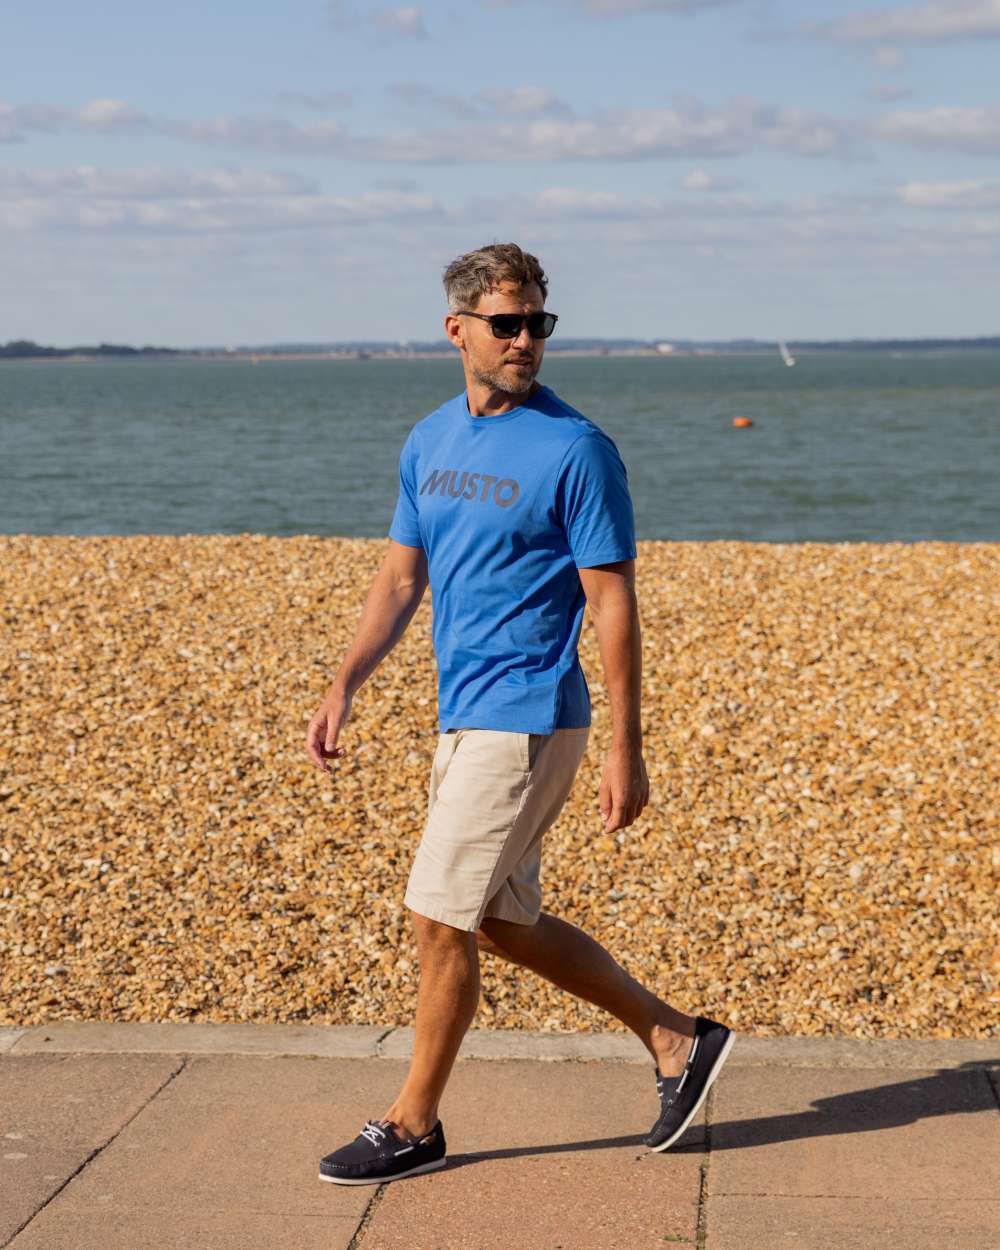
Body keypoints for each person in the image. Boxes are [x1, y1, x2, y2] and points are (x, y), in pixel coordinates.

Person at [307, 242, 735, 1186]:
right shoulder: (430, 439)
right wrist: (346, 680)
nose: (525, 341)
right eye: (506, 323)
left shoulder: (576, 448)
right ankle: (677, 1040)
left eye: (538, 322)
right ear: (456, 329)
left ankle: (413, 1123)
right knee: (501, 919)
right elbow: (400, 576)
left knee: (437, 919)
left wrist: (629, 747)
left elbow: (611, 600)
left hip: (531, 713)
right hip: (462, 711)